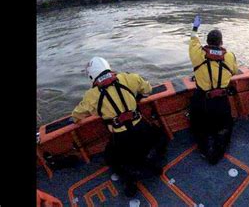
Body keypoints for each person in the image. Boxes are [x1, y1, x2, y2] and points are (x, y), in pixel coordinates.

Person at [72, 57, 168, 197]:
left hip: (122, 138)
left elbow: (76, 115)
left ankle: (130, 182)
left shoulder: (91, 96)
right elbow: (147, 89)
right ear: (108, 67)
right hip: (142, 129)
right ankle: (154, 165)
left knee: (111, 158)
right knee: (159, 135)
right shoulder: (129, 78)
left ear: (91, 75)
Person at [188, 15, 239, 164]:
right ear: (221, 42)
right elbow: (234, 71)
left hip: (201, 99)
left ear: (207, 42)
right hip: (221, 101)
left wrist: (195, 26)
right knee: (224, 126)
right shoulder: (229, 56)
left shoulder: (197, 54)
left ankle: (204, 150)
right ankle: (217, 153)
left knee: (198, 125)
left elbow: (193, 38)